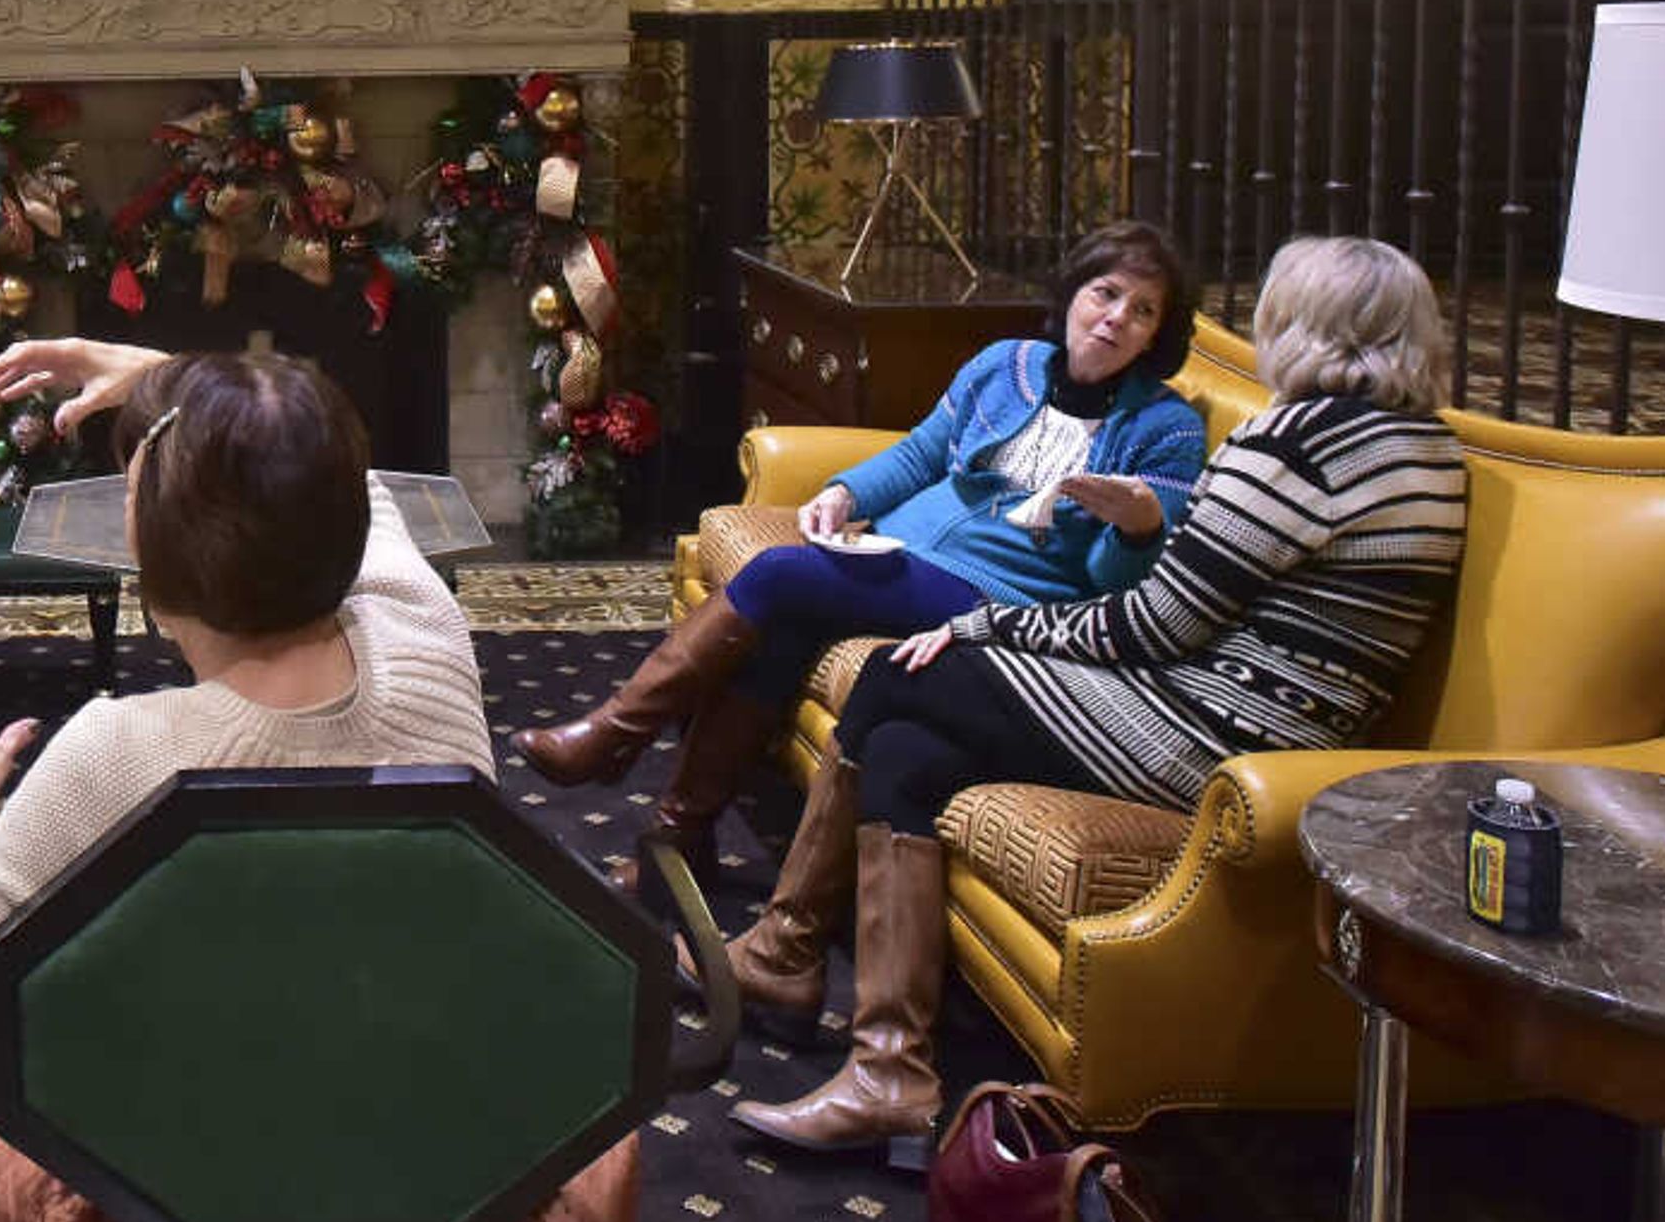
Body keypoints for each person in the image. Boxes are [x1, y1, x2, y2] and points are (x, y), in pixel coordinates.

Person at [726, 236, 1467, 1154]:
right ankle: (884, 1062)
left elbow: (1153, 625)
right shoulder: (1425, 451)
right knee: (911, 750)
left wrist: (980, 628)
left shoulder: (1294, 445)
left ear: (1299, 327)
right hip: (1273, 725)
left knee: (894, 673)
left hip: (1213, 733)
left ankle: (792, 963)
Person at [0, 337, 490, 1080]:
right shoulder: (425, 636)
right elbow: (343, 481)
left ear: (149, 554)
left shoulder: (121, 755)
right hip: (420, 1129)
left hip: (183, 1166)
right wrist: (170, 383)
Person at [515, 221, 1208, 888]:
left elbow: (1111, 586)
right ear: (1074, 295)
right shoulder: (1006, 365)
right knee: (779, 633)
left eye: (1143, 310)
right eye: (1105, 293)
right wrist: (844, 493)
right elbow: (921, 453)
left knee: (781, 574)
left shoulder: (1166, 431)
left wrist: (1140, 529)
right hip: (905, 555)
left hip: (1001, 597)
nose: (1117, 318)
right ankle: (677, 843)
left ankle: (614, 732)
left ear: (1158, 335)